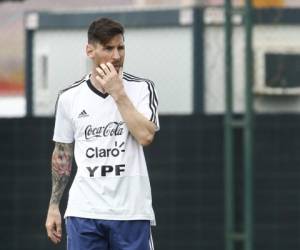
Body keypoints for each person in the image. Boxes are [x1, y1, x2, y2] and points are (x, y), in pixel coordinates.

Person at [45, 17, 159, 250]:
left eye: (121, 47)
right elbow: (62, 154)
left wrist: (118, 93)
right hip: (84, 212)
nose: (116, 56)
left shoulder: (141, 88)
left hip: (131, 212)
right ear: (90, 50)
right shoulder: (69, 97)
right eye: (108, 48)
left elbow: (146, 136)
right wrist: (53, 206)